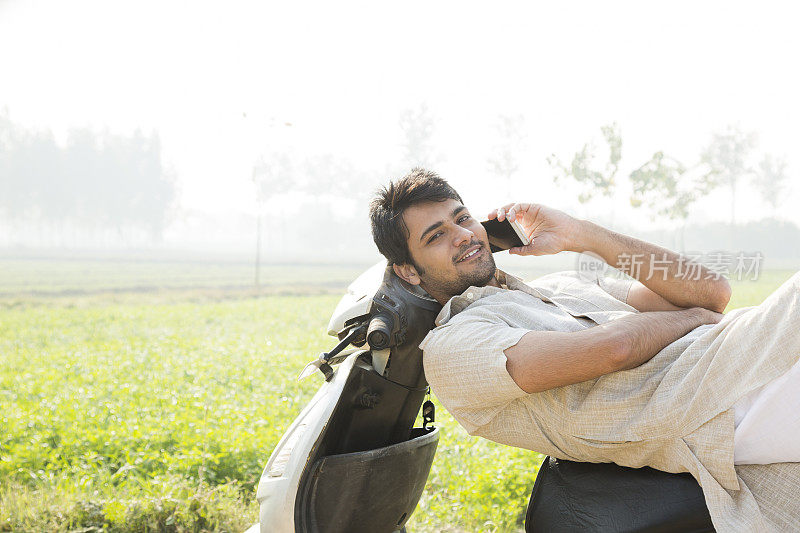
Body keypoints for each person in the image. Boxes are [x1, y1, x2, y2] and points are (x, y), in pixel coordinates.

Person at [368, 168, 800, 532]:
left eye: (462, 218)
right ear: (407, 270)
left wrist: (582, 234)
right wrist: (692, 320)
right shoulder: (451, 348)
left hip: (749, 357)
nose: (463, 235)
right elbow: (614, 348)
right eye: (436, 235)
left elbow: (711, 291)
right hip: (718, 399)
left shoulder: (559, 286)